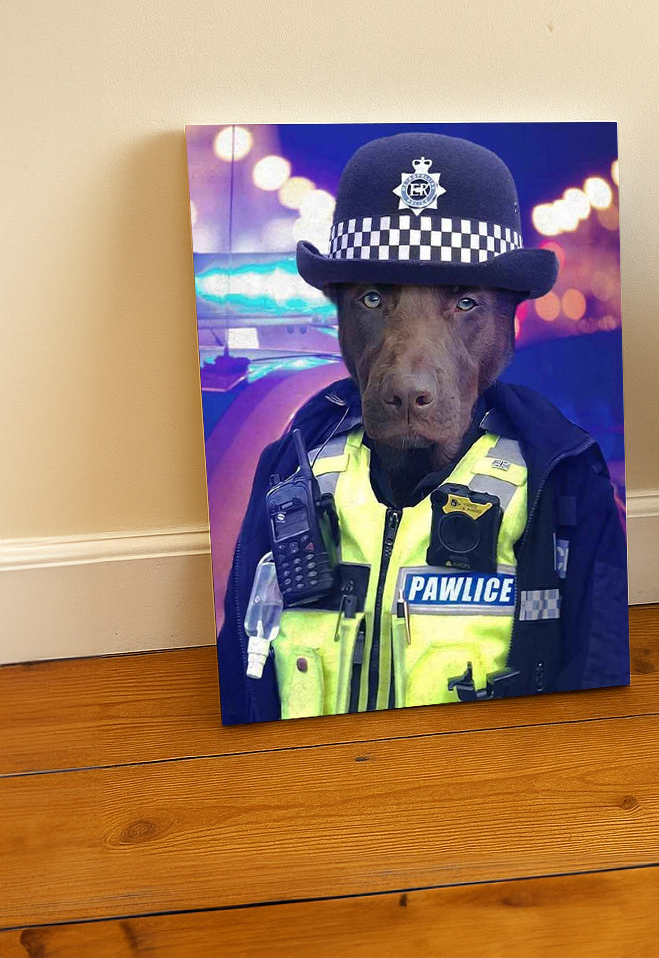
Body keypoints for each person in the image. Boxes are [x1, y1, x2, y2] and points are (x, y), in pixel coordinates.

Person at [214, 132, 629, 724]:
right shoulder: (291, 468)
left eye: (464, 304)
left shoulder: (563, 478)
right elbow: (239, 679)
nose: (409, 380)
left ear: (509, 321)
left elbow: (599, 695)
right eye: (373, 299)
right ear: (339, 312)